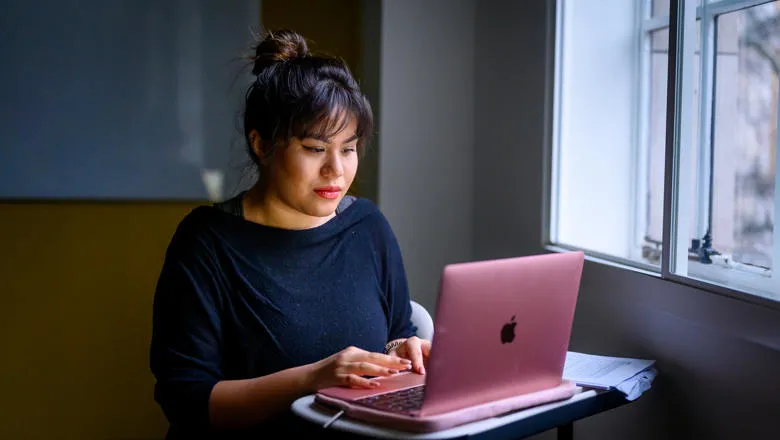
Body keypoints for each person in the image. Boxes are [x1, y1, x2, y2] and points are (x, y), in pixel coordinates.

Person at [149, 29, 432, 439]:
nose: (336, 170)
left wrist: (401, 351)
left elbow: (396, 333)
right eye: (316, 149)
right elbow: (189, 403)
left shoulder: (368, 227)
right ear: (261, 145)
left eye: (348, 148)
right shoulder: (206, 243)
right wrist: (312, 378)